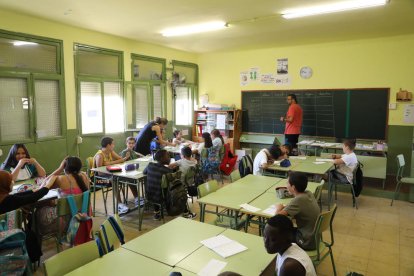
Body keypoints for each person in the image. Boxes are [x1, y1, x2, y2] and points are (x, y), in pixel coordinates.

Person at [143, 150, 196, 220]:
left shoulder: (150, 165)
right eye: (167, 156)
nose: (170, 157)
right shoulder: (167, 171)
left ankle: (157, 213)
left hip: (149, 196)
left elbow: (144, 172)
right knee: (179, 190)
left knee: (156, 187)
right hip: (163, 198)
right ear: (162, 158)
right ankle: (186, 213)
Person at [275, 172, 320, 250]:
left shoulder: (298, 200)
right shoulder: (308, 193)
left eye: (287, 183)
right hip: (315, 238)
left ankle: (286, 257)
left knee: (278, 232)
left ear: (293, 187)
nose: (286, 185)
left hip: (306, 241)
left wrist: (279, 208)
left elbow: (276, 217)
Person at [94, 136, 130, 214]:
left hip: (110, 176)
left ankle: (136, 199)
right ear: (108, 145)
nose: (114, 145)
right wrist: (113, 163)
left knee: (126, 176)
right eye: (113, 144)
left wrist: (109, 163)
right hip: (98, 180)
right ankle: (119, 204)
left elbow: (120, 160)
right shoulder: (99, 156)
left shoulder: (110, 152)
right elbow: (100, 172)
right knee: (114, 180)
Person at [120, 137, 143, 207]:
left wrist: (140, 156)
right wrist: (126, 158)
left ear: (135, 144)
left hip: (134, 171)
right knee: (132, 180)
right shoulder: (124, 152)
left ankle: (141, 197)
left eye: (132, 143)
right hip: (126, 173)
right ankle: (137, 198)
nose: (131, 145)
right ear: (126, 143)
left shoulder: (133, 152)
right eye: (129, 143)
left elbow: (136, 161)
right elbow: (122, 163)